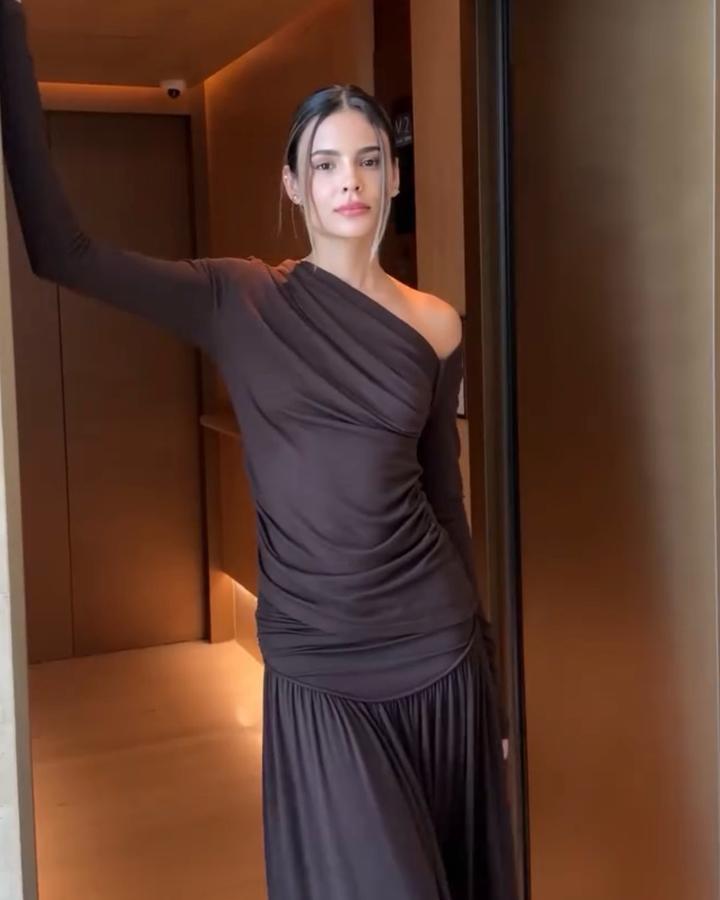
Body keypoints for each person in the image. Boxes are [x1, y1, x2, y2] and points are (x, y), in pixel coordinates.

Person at [0, 0, 517, 897]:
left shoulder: (436, 323)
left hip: (437, 652)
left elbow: (445, 498)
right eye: (326, 163)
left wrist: (491, 671)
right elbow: (62, 253)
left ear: (394, 175)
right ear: (293, 185)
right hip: (319, 666)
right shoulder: (237, 298)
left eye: (369, 159)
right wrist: (8, 34)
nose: (350, 181)